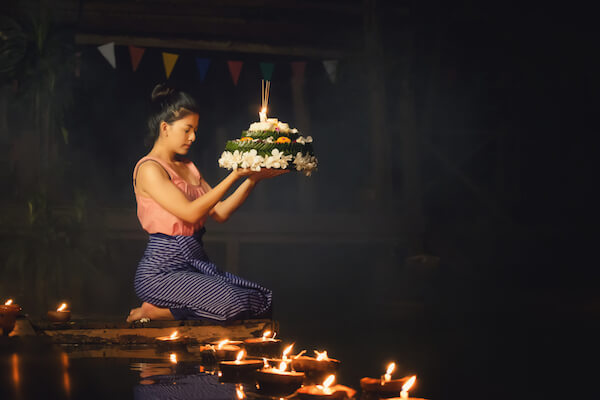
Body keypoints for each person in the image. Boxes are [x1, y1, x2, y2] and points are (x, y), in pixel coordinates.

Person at [126, 84, 287, 323]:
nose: (193, 137)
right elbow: (190, 214)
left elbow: (220, 212)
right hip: (161, 271)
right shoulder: (149, 169)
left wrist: (253, 179)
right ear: (165, 128)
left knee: (260, 300)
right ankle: (156, 311)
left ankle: (165, 311)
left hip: (194, 260)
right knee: (233, 305)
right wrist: (234, 175)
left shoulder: (188, 167)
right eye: (187, 129)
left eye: (195, 130)